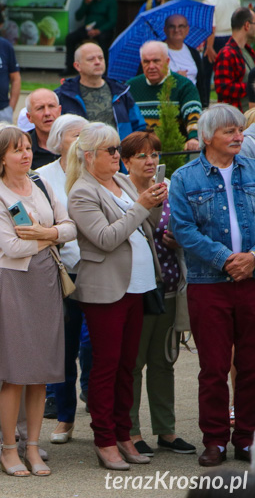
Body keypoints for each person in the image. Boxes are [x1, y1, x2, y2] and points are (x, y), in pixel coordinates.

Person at [66, 122, 166, 471]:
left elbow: (145, 226)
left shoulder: (122, 181)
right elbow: (106, 239)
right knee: (106, 367)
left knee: (128, 366)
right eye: (111, 150)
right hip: (105, 290)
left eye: (115, 149)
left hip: (137, 284)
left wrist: (152, 202)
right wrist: (140, 205)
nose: (116, 155)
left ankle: (125, 434)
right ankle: (104, 439)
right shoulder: (82, 192)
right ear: (90, 156)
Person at [0, 127, 76, 477]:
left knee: (40, 372)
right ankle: (9, 449)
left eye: (26, 148)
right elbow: (12, 247)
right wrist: (50, 237)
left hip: (46, 279)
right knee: (14, 373)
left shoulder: (40, 183)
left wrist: (44, 233)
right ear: (0, 158)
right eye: (16, 150)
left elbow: (69, 227)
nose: (25, 154)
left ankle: (33, 448)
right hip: (14, 281)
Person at [169, 104, 255, 467]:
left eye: (239, 130)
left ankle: (247, 439)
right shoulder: (184, 178)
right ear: (207, 137)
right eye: (229, 132)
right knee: (214, 368)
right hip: (209, 284)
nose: (239, 137)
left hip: (252, 280)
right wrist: (225, 259)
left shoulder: (253, 169)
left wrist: (252, 257)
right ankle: (216, 440)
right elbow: (182, 230)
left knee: (252, 365)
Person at [119, 131, 196, 457]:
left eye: (154, 156)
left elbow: (183, 227)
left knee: (164, 361)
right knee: (133, 364)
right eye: (142, 156)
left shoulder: (170, 191)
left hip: (166, 287)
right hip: (135, 289)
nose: (150, 162)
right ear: (126, 161)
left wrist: (179, 240)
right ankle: (131, 431)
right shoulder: (119, 192)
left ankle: (166, 430)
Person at [36, 115, 88, 445]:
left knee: (95, 349)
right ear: (58, 141)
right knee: (63, 350)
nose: (82, 142)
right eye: (75, 136)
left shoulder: (101, 170)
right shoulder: (42, 177)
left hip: (99, 273)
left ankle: (103, 418)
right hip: (62, 275)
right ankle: (65, 418)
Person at [56, 42, 147, 140]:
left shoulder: (121, 92)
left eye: (100, 58)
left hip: (118, 152)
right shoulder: (64, 94)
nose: (97, 62)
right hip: (80, 153)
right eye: (91, 59)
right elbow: (55, 130)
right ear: (77, 66)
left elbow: (138, 126)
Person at [127, 41, 202, 150]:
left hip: (175, 151)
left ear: (167, 61)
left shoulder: (184, 85)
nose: (151, 66)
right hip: (141, 151)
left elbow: (193, 114)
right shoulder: (131, 87)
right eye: (146, 62)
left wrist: (194, 137)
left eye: (156, 61)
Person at [64, 0, 117, 75]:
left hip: (103, 30)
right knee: (70, 38)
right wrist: (85, 4)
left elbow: (112, 21)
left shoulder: (110, 0)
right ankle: (70, 67)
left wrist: (99, 30)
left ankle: (103, 70)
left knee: (103, 41)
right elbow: (78, 16)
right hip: (88, 28)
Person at [163, 15, 211, 107]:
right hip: (170, 105)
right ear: (165, 29)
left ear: (187, 29)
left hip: (193, 102)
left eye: (181, 26)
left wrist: (204, 105)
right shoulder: (158, 52)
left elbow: (201, 82)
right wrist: (173, 78)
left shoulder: (193, 53)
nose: (176, 30)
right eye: (172, 26)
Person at [214, 7, 255, 112]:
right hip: (237, 119)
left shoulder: (247, 51)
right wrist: (250, 87)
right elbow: (222, 88)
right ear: (247, 25)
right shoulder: (227, 54)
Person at [203, 0, 241, 67]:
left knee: (207, 71)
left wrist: (209, 46)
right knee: (230, 68)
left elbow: (212, 27)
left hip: (216, 39)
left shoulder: (209, 1)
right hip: (233, 37)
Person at [25, 88, 62, 169]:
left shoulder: (73, 144)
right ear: (29, 117)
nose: (47, 113)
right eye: (40, 108)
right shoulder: (23, 149)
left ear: (59, 111)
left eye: (51, 106)